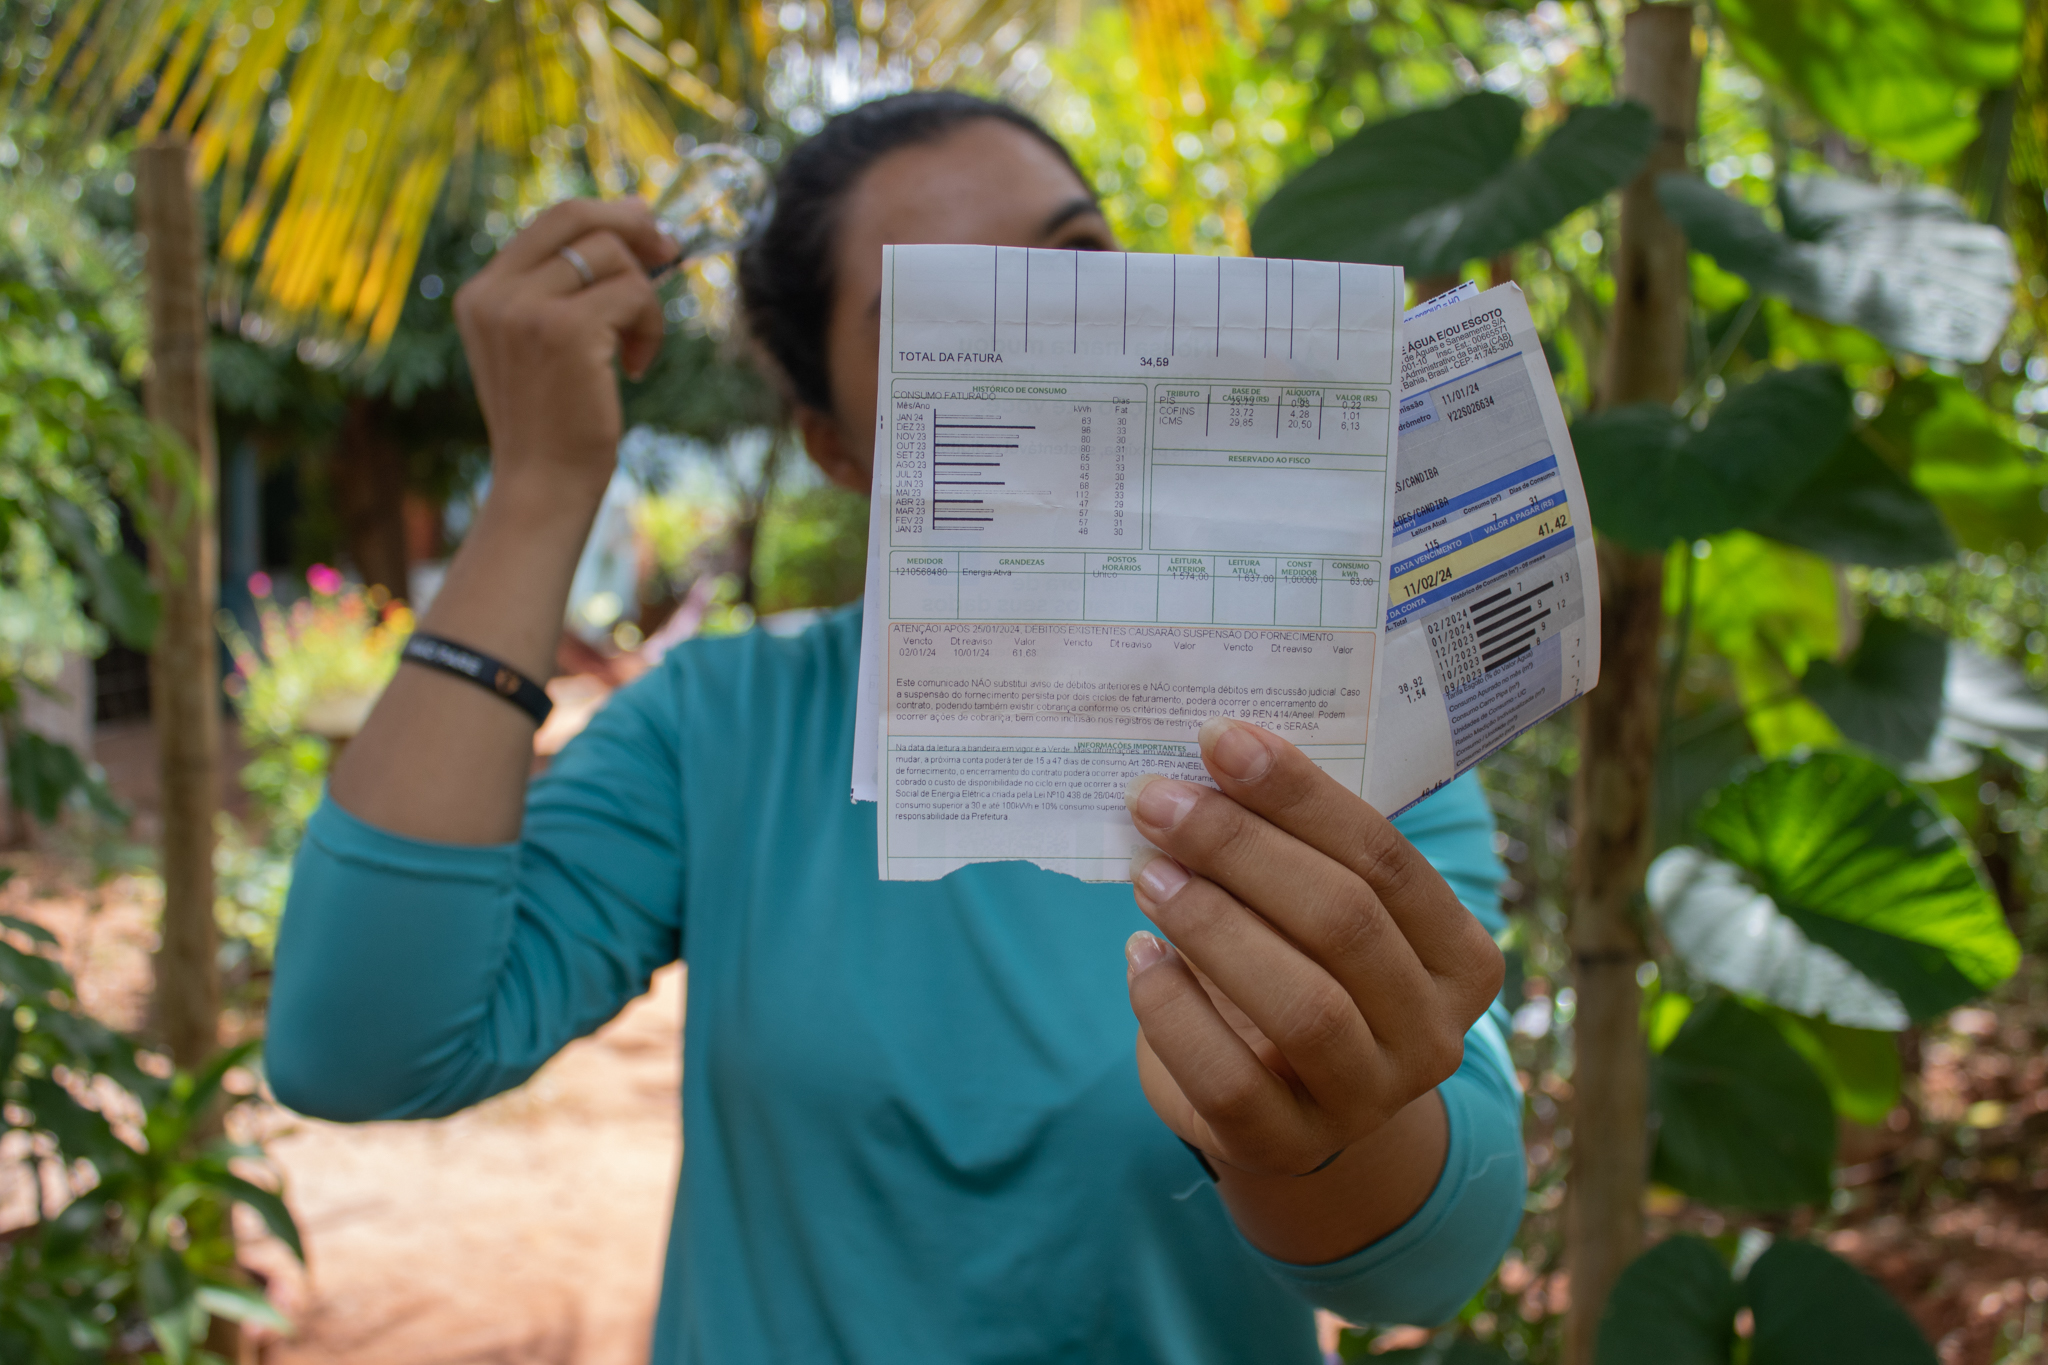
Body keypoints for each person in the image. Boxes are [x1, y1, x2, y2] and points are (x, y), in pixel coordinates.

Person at [267, 91, 1525, 1364]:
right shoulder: (722, 728)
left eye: (1078, 259)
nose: (1055, 332)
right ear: (835, 447)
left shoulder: (1336, 722)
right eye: (944, 314)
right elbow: (362, 1045)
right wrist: (539, 486)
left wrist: (1318, 1127)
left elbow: (1431, 1260)